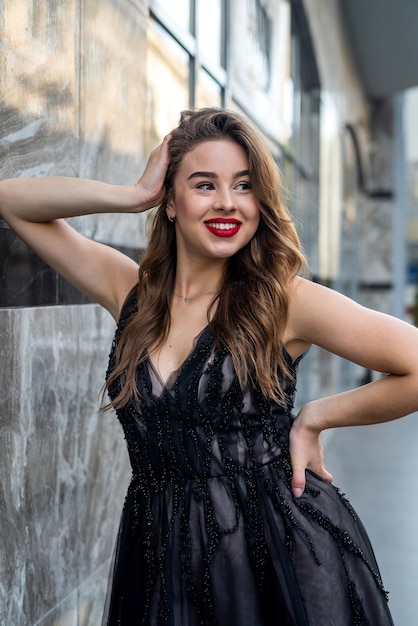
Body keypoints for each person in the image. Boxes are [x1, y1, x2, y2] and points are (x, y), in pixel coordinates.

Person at [1, 107, 417, 626]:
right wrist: (133, 195)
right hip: (158, 553)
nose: (227, 202)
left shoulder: (283, 301)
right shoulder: (130, 293)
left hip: (270, 555)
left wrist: (317, 416)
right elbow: (11, 201)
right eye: (204, 184)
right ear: (171, 201)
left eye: (244, 186)